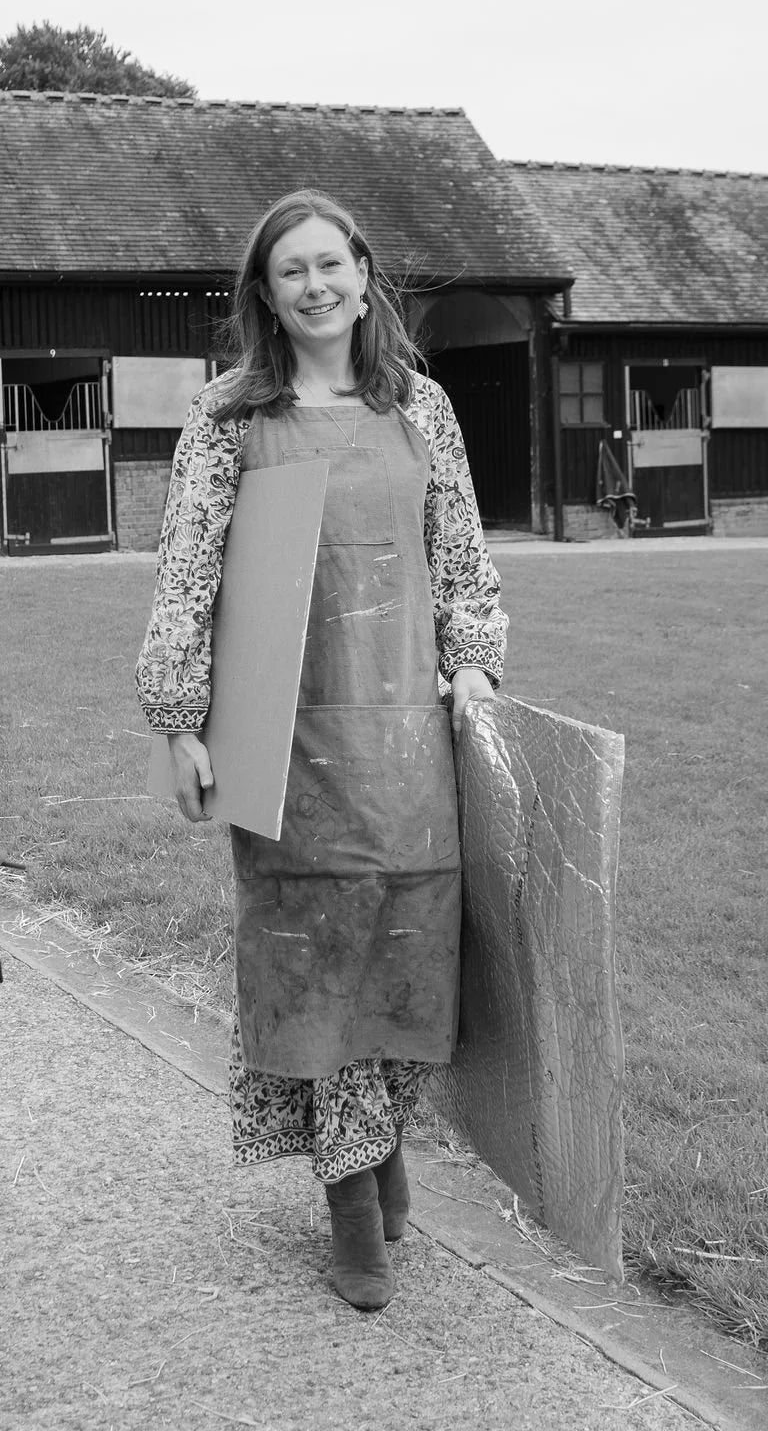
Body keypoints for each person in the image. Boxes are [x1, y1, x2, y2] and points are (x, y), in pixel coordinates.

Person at [136, 189, 507, 1311]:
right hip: (283, 741)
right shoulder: (227, 418)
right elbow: (187, 576)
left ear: (362, 275)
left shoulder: (420, 409)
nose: (313, 287)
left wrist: (477, 664)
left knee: (404, 948)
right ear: (265, 293)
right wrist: (177, 721)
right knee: (317, 951)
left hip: (405, 738)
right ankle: (352, 1201)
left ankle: (379, 1148)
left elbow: (462, 554)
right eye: (288, 270)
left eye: (328, 265)